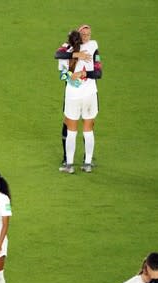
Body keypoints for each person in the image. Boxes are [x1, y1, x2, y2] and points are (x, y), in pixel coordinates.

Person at [56, 24, 102, 173]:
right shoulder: (93, 47)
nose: (87, 37)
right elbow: (98, 72)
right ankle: (87, 164)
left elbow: (62, 73)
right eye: (84, 34)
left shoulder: (65, 50)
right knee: (88, 129)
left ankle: (69, 165)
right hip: (89, 94)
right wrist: (84, 73)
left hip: (73, 95)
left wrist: (74, 74)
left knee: (72, 130)